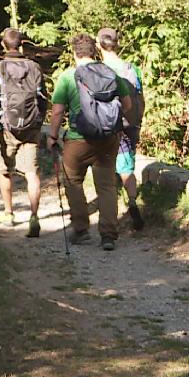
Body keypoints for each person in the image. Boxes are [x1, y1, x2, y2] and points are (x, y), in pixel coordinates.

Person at [48, 34, 134, 251]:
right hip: (108, 138)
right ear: (94, 51)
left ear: (74, 53)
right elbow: (128, 104)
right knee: (106, 186)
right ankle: (108, 236)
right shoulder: (110, 73)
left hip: (78, 139)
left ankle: (81, 229)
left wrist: (52, 135)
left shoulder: (68, 77)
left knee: (73, 181)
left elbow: (57, 111)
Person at [0, 28, 47, 237]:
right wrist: (38, 122)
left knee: (5, 170)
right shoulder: (35, 67)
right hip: (31, 128)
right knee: (32, 172)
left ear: (3, 45)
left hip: (6, 128)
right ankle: (34, 215)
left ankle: (8, 213)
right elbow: (43, 98)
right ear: (21, 45)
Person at [96, 27, 146, 231]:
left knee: (106, 169)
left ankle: (110, 215)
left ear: (99, 45)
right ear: (117, 44)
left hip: (106, 126)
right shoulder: (131, 68)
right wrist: (137, 121)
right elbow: (140, 97)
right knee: (126, 167)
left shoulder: (97, 70)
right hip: (128, 123)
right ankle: (132, 201)